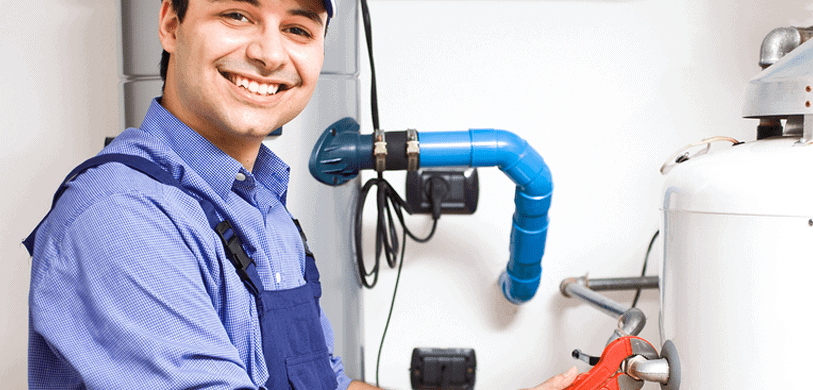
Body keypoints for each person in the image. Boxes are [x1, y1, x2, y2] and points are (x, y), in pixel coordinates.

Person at [26, 0, 580, 389]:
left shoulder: (267, 212)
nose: (269, 54)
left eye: (297, 28)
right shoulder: (121, 216)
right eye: (236, 15)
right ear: (171, 24)